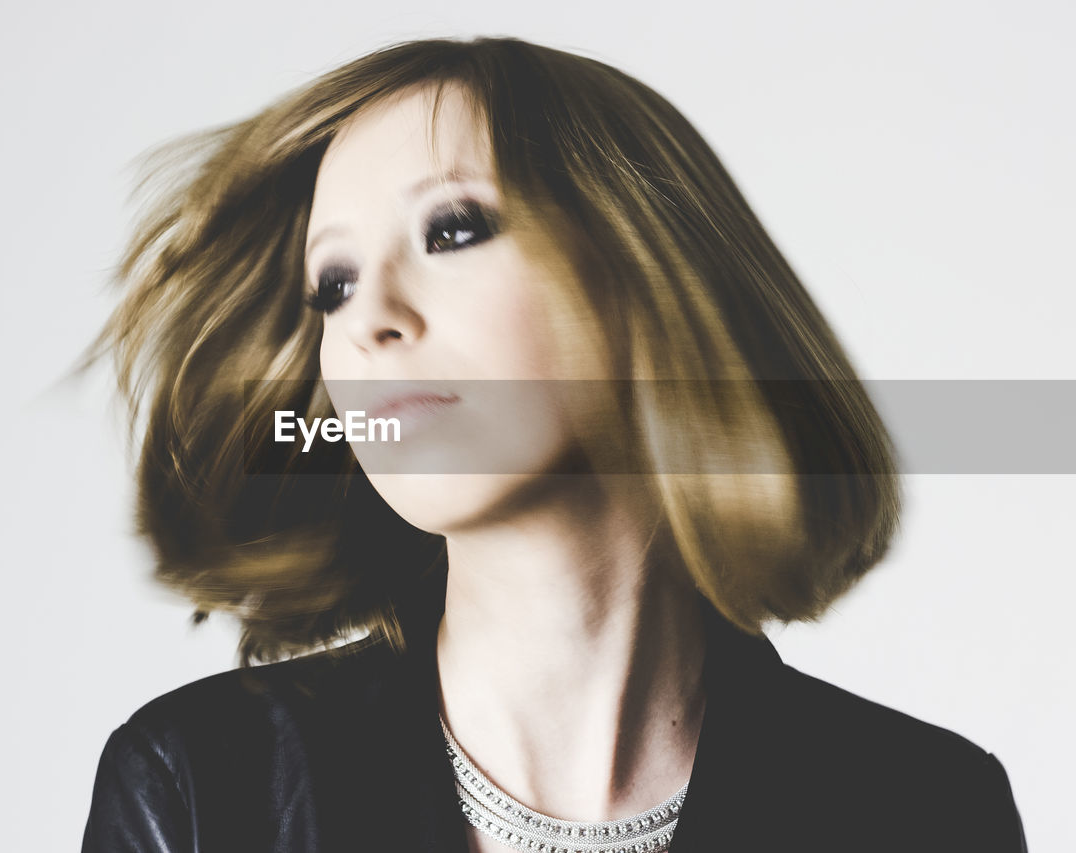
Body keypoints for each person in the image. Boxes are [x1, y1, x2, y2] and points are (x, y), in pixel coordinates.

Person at [78, 36, 1027, 853]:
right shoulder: (201, 790)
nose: (369, 317)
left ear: (642, 275)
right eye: (331, 284)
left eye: (451, 230)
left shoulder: (929, 810)